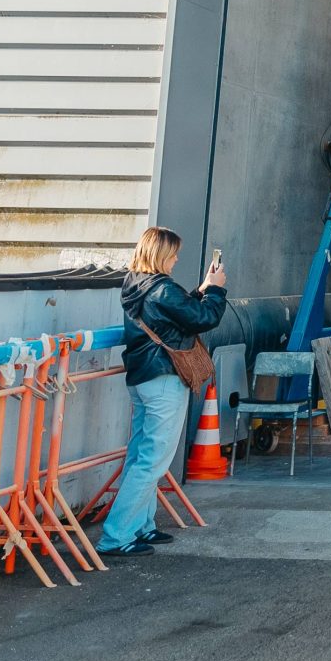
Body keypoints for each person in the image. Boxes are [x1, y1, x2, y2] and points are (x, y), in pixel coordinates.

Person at [97, 226, 227, 558]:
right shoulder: (163, 289)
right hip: (164, 378)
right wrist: (216, 291)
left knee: (139, 455)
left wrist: (202, 288)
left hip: (142, 377)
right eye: (174, 253)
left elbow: (177, 313)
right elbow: (203, 318)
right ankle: (116, 535)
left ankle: (141, 525)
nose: (177, 258)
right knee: (153, 461)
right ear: (161, 254)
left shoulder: (135, 283)